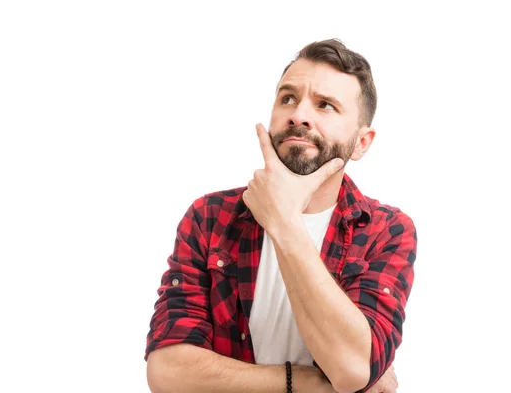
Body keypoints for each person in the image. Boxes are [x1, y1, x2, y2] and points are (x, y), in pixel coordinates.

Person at [144, 38, 417, 393]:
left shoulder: (387, 230)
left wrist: (284, 221)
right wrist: (303, 382)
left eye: (325, 105)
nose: (299, 115)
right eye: (288, 98)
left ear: (362, 143)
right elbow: (167, 372)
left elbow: (352, 367)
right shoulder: (209, 217)